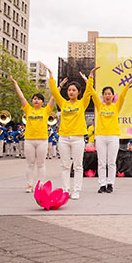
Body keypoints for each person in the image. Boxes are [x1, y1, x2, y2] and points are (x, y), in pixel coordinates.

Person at [46, 65, 93, 200]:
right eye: (69, 90)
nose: (71, 92)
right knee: (65, 165)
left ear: (78, 92)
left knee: (78, 165)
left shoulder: (82, 103)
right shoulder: (63, 103)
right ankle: (66, 189)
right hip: (64, 138)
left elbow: (89, 92)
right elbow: (54, 92)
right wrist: (51, 76)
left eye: (74, 90)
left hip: (78, 138)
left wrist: (89, 78)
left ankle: (76, 190)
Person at [83, 67, 129, 194]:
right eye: (105, 94)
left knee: (111, 162)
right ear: (102, 96)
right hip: (101, 136)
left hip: (113, 136)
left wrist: (127, 84)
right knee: (102, 162)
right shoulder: (100, 105)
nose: (107, 95)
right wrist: (90, 77)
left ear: (113, 96)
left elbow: (123, 95)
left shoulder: (116, 106)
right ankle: (102, 184)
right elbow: (91, 92)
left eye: (110, 94)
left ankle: (110, 184)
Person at [10, 75, 55, 193]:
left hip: (42, 140)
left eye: (39, 99)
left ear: (42, 102)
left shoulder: (46, 110)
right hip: (29, 140)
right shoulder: (28, 109)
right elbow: (21, 97)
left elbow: (54, 97)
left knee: (41, 164)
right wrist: (15, 84)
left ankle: (40, 186)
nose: (36, 100)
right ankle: (29, 185)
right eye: (34, 98)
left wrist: (58, 87)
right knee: (30, 164)